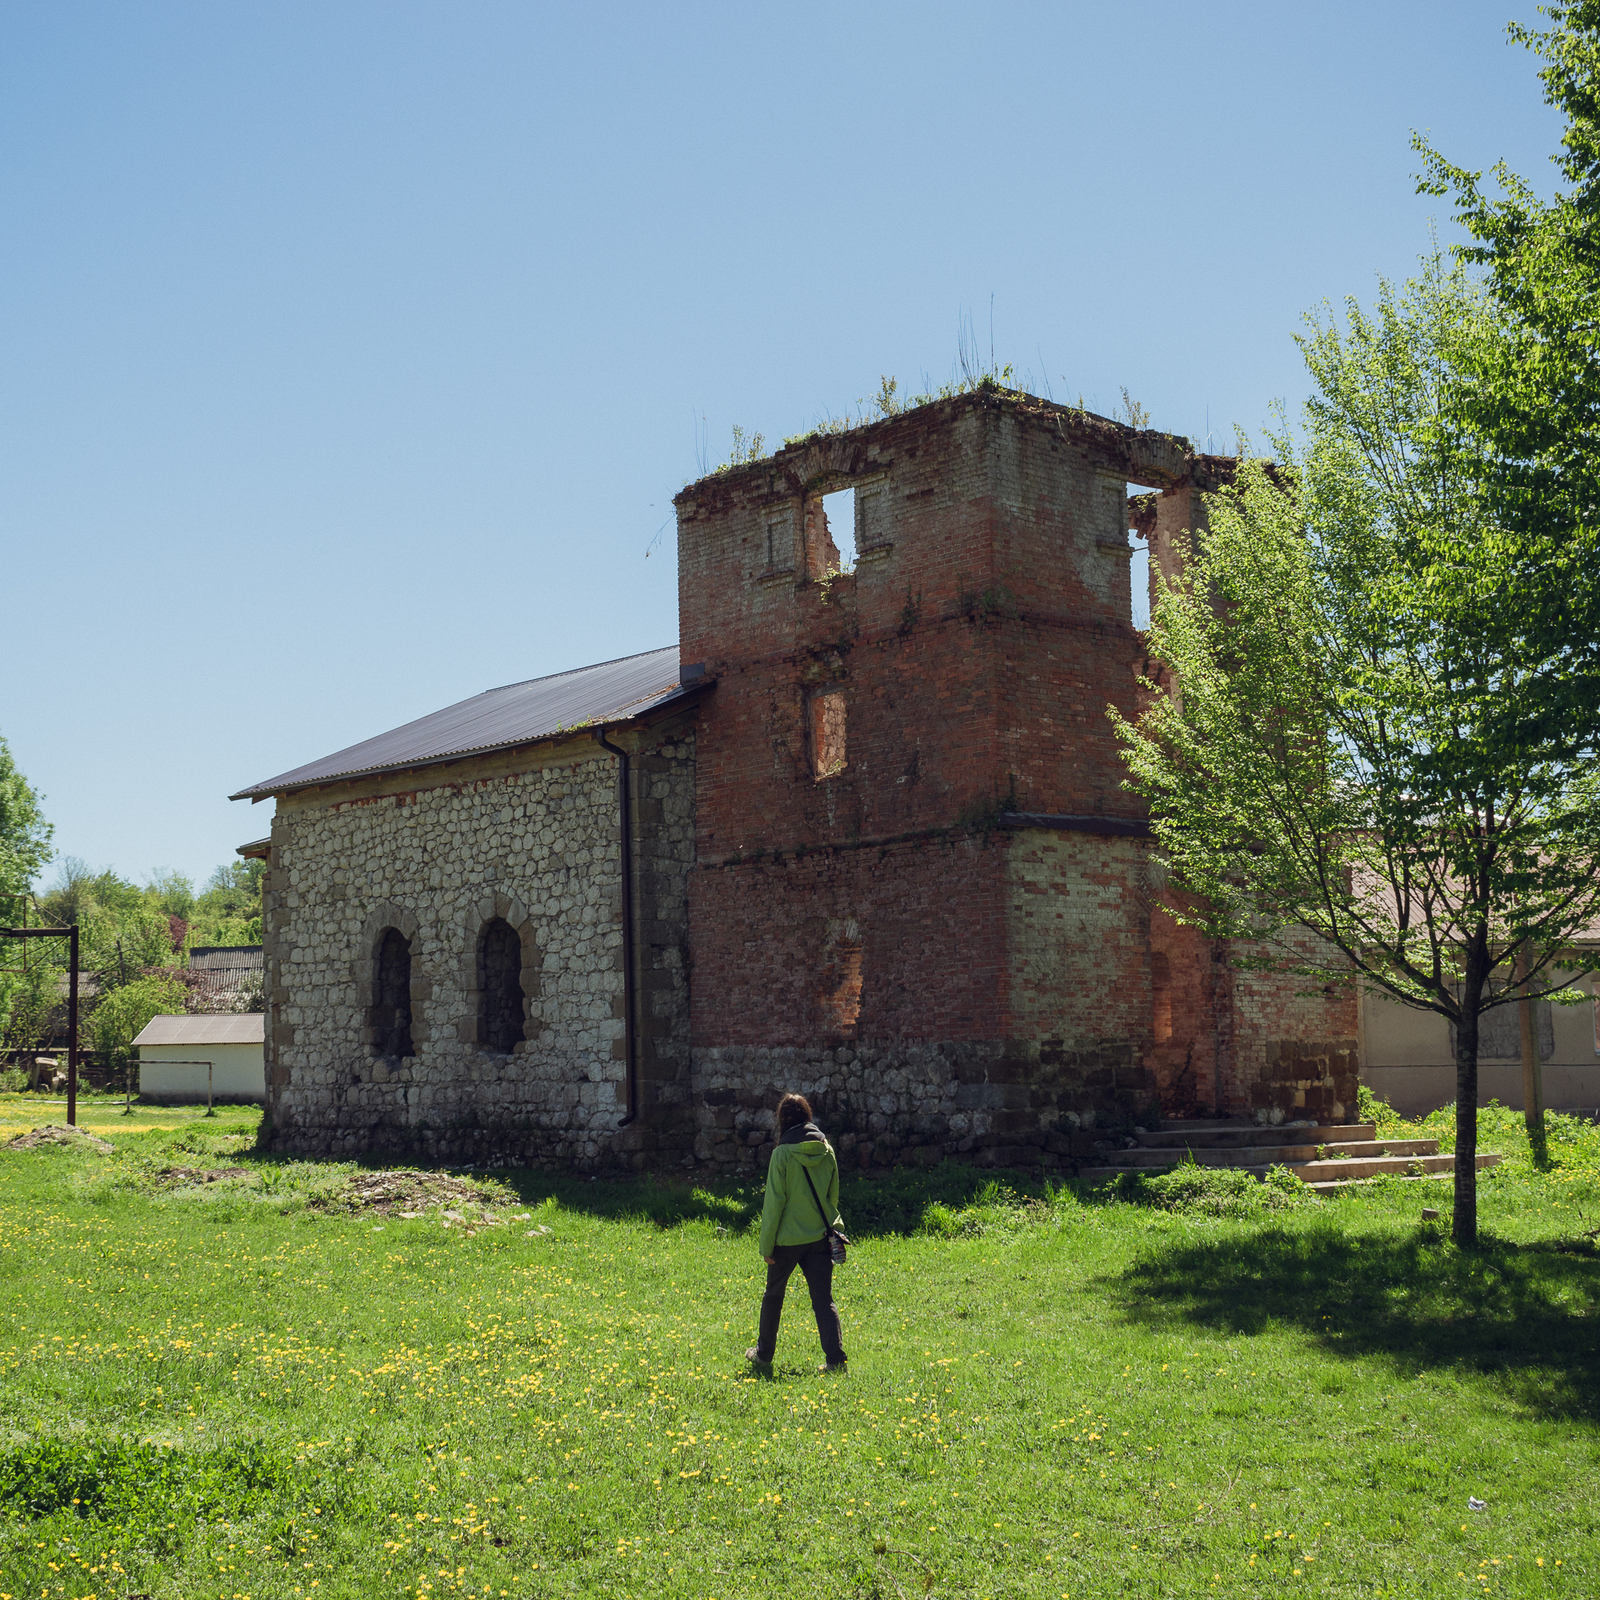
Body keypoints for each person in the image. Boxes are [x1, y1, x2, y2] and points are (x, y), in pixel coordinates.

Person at [746, 1093, 848, 1373]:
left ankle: (763, 1356)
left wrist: (766, 1246)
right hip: (818, 1237)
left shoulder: (781, 1154)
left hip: (786, 1242)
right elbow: (832, 1196)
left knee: (773, 1296)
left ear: (782, 1121)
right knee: (823, 1300)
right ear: (807, 1117)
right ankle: (836, 1361)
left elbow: (774, 1204)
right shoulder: (827, 1150)